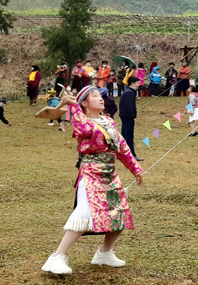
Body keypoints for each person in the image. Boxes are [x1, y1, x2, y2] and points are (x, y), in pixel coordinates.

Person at [40, 86, 144, 275]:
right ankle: (56, 257)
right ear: (85, 104)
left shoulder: (108, 121)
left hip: (110, 174)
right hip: (90, 175)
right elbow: (84, 131)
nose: (101, 98)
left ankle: (104, 253)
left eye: (100, 95)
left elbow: (121, 146)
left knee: (119, 213)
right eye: (94, 96)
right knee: (84, 214)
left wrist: (135, 168)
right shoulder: (82, 122)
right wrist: (73, 107)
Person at [118, 76, 141, 161]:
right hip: (127, 118)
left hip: (125, 117)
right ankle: (131, 154)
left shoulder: (129, 92)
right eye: (137, 83)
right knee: (128, 136)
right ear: (132, 83)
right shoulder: (129, 93)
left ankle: (120, 153)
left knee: (123, 136)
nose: (138, 85)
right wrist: (131, 116)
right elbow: (128, 107)